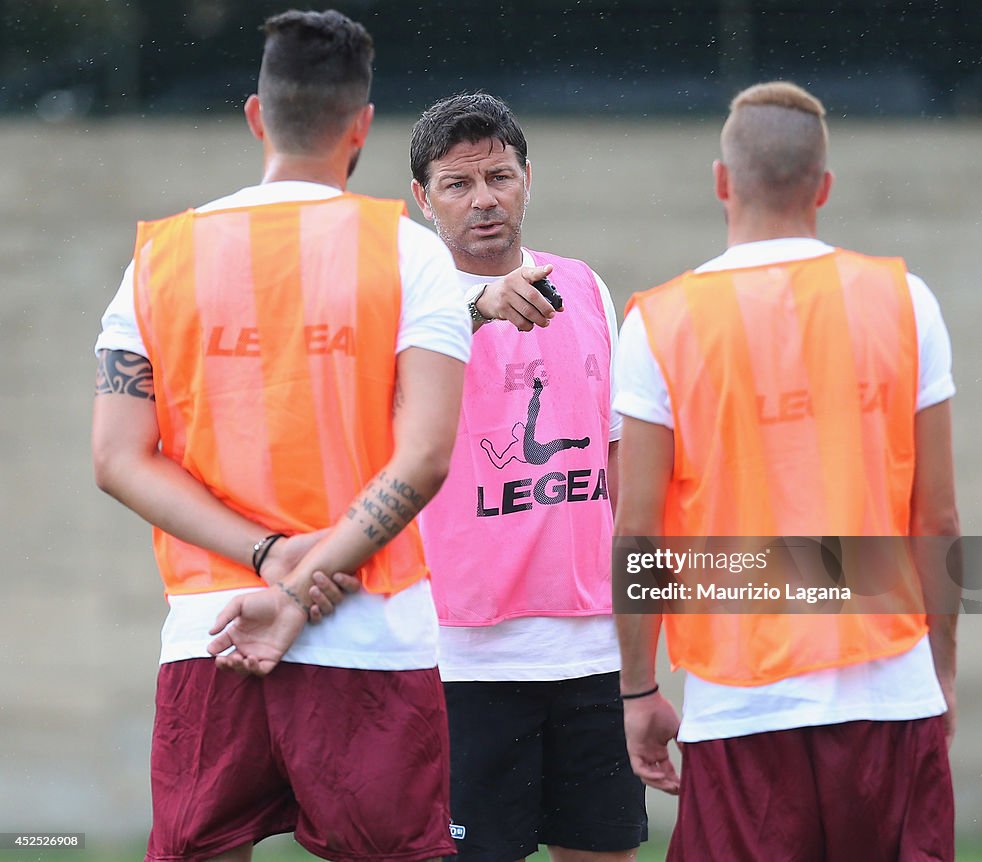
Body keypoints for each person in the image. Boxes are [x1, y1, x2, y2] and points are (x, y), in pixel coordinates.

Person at [91, 10, 469, 862]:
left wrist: (268, 557)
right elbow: (428, 454)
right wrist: (307, 583)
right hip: (371, 631)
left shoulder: (160, 258)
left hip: (212, 630)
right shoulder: (410, 254)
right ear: (363, 126)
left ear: (258, 115)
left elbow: (117, 458)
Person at [613, 81, 960, 861]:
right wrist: (940, 671)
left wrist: (638, 690)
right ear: (824, 187)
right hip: (890, 693)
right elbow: (937, 519)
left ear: (721, 181)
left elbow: (638, 530)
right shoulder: (906, 302)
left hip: (740, 704)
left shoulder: (659, 323)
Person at [405, 92, 647, 862]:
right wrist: (475, 306)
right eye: (457, 184)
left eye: (499, 177)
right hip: (463, 656)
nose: (483, 200)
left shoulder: (587, 288)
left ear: (527, 179)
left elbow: (617, 470)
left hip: (591, 651)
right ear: (422, 198)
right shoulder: (406, 305)